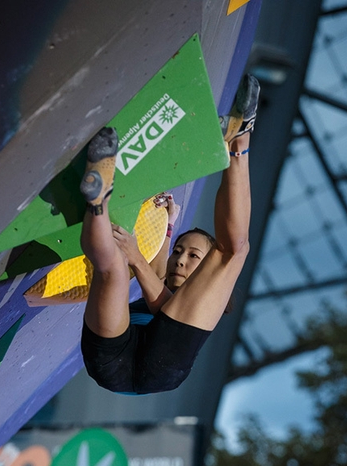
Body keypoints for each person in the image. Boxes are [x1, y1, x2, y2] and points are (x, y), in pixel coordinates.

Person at [80, 74, 260, 395]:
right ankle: (98, 197)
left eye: (193, 257)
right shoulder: (166, 277)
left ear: (204, 269)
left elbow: (161, 305)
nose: (180, 259)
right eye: (180, 250)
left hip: (137, 368)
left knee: (117, 270)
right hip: (138, 345)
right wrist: (168, 224)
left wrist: (136, 256)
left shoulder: (197, 305)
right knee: (115, 270)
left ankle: (99, 198)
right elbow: (158, 266)